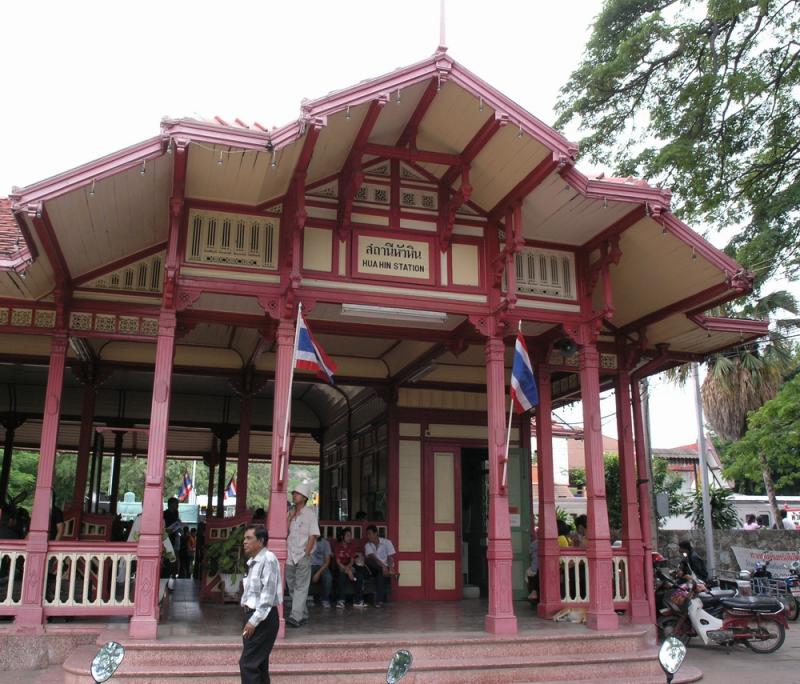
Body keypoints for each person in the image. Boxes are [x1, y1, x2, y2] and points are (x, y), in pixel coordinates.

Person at [239, 524, 281, 684]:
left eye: (249, 538)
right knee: (258, 664)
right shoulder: (254, 562)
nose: (245, 542)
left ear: (261, 541)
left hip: (262, 619)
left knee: (248, 664)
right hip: (253, 616)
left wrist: (253, 621)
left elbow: (267, 597)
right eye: (245, 538)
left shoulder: (268, 559)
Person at [285, 482, 319, 627]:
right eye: (293, 493)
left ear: (304, 498)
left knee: (301, 586)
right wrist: (289, 518)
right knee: (291, 586)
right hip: (289, 554)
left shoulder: (310, 514)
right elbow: (284, 533)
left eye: (297, 493)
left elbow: (313, 535)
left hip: (302, 555)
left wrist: (306, 553)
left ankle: (296, 616)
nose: (294, 495)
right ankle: (303, 613)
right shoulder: (290, 513)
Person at [363, 524, 396, 607]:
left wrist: (391, 568)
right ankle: (379, 600)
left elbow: (390, 557)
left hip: (383, 569)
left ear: (376, 533)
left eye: (370, 534)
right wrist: (383, 567)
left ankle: (379, 601)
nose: (368, 536)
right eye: (367, 534)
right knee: (370, 561)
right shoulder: (367, 545)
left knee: (380, 574)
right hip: (372, 569)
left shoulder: (387, 542)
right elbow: (374, 558)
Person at [335, 527, 365, 608]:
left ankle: (357, 600)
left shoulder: (351, 546)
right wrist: (348, 571)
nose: (350, 538)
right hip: (340, 566)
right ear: (342, 537)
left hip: (349, 565)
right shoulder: (338, 546)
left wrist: (349, 570)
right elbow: (338, 562)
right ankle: (341, 600)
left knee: (360, 576)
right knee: (341, 576)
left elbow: (352, 561)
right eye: (348, 536)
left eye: (350, 536)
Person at [310, 532, 333, 608]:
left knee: (328, 578)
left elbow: (327, 562)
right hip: (310, 566)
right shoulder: (308, 540)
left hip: (322, 566)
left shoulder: (325, 543)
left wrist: (318, 574)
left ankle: (325, 599)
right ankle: (306, 599)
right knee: (303, 576)